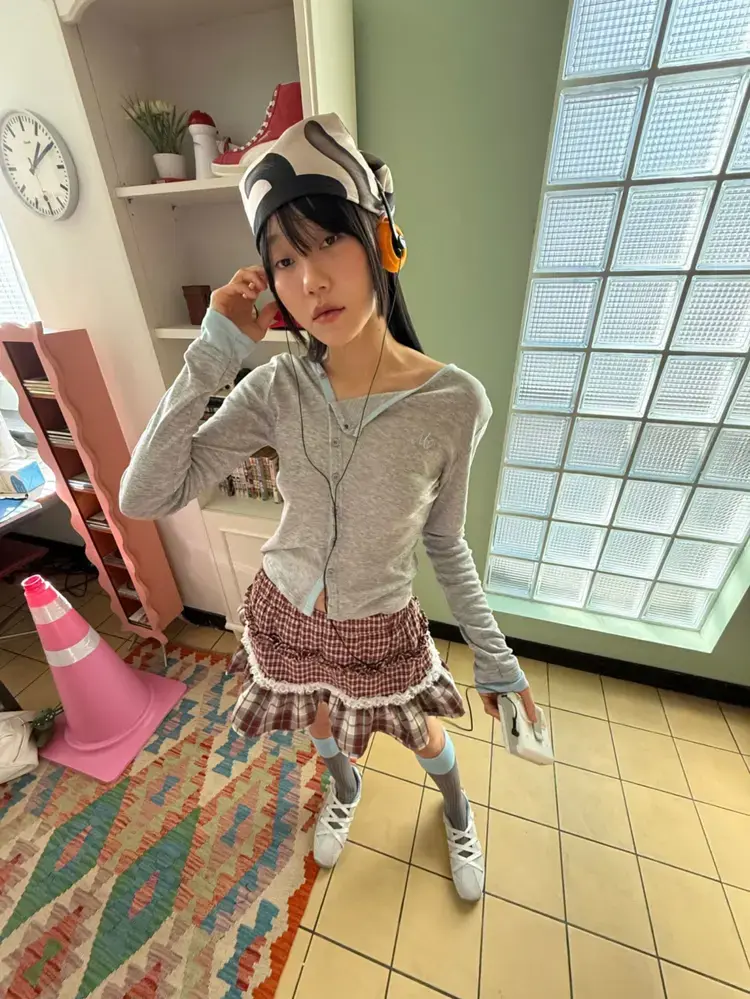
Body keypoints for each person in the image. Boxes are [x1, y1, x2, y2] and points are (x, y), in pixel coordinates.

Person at [120, 113, 536, 902]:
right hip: (285, 612)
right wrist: (213, 352)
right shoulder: (274, 388)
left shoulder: (455, 403)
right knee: (317, 724)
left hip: (380, 624)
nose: (308, 279)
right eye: (283, 259)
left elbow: (446, 541)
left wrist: (495, 655)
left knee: (424, 736)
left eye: (328, 241)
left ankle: (456, 810)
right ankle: (343, 789)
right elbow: (145, 493)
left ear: (382, 240)